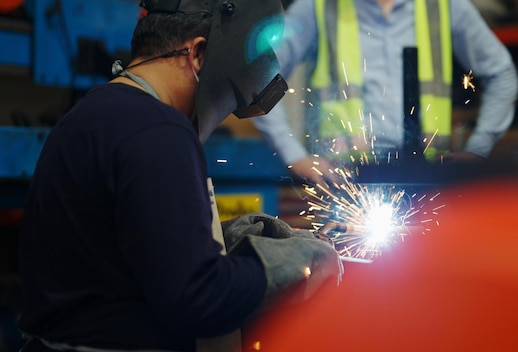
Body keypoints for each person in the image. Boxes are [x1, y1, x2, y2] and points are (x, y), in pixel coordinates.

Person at [17, 1, 341, 351]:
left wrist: (218, 240)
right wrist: (300, 261)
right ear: (199, 53)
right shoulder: (159, 130)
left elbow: (117, 254)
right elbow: (200, 299)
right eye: (230, 102)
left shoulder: (93, 112)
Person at [253, 0, 518, 185]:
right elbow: (258, 73)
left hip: (428, 183)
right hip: (345, 185)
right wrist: (295, 156)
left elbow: (501, 73)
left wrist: (479, 147)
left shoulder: (444, 5)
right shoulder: (319, 7)